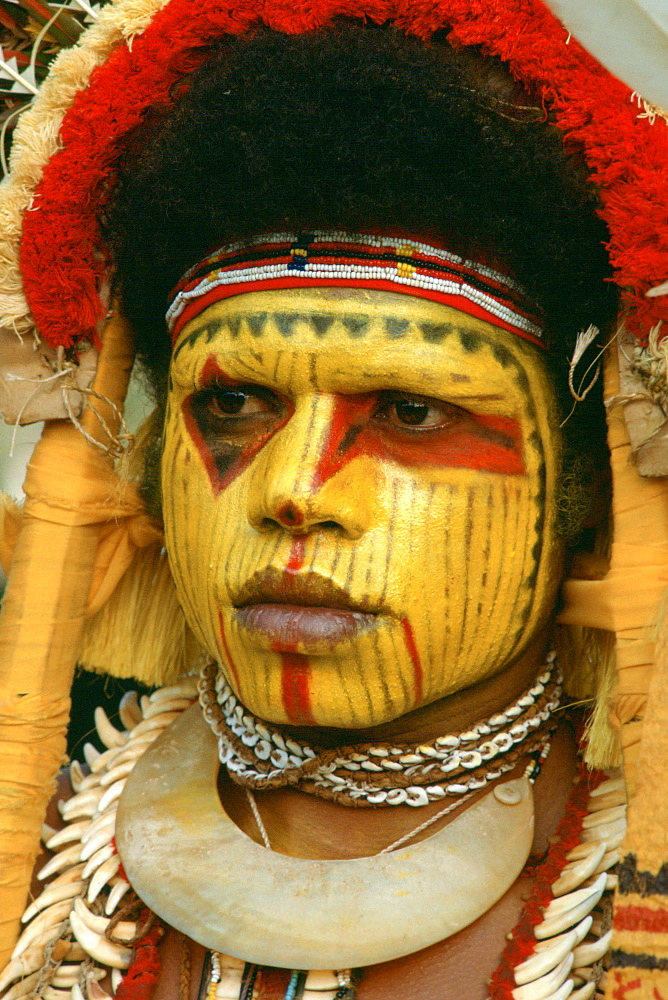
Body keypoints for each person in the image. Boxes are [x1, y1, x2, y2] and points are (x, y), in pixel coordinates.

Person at [1, 4, 668, 1000]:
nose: (293, 492)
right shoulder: (42, 853)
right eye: (231, 404)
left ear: (580, 487)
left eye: (409, 410)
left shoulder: (624, 907)